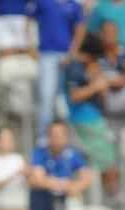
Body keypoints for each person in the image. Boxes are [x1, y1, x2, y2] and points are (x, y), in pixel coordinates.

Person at [65, 33, 122, 201]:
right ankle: (113, 197)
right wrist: (96, 86)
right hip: (86, 120)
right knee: (107, 161)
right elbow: (74, 95)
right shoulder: (75, 67)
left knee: (107, 160)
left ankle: (107, 198)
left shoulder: (88, 67)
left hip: (94, 117)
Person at [32, 0, 86, 134]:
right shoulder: (43, 2)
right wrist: (31, 48)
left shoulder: (74, 5)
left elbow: (80, 29)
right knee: (47, 97)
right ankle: (43, 138)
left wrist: (72, 53)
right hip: (46, 55)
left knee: (64, 101)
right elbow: (30, 22)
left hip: (66, 57)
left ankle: (66, 139)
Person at [28, 120, 94, 210]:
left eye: (60, 135)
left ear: (67, 137)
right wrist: (64, 185)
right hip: (44, 203)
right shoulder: (40, 153)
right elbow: (37, 179)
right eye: (53, 135)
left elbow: (86, 178)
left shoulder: (74, 154)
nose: (56, 138)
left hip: (67, 202)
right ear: (48, 137)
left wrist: (75, 186)